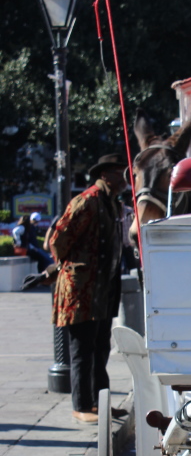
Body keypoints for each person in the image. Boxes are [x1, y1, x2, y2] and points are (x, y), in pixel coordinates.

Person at [48, 153, 127, 423]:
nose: (124, 178)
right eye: (119, 172)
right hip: (81, 290)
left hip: (102, 290)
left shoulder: (112, 203)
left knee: (100, 347)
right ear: (105, 175)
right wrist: (70, 266)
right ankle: (81, 406)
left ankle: (99, 403)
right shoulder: (87, 201)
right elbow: (59, 239)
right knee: (82, 349)